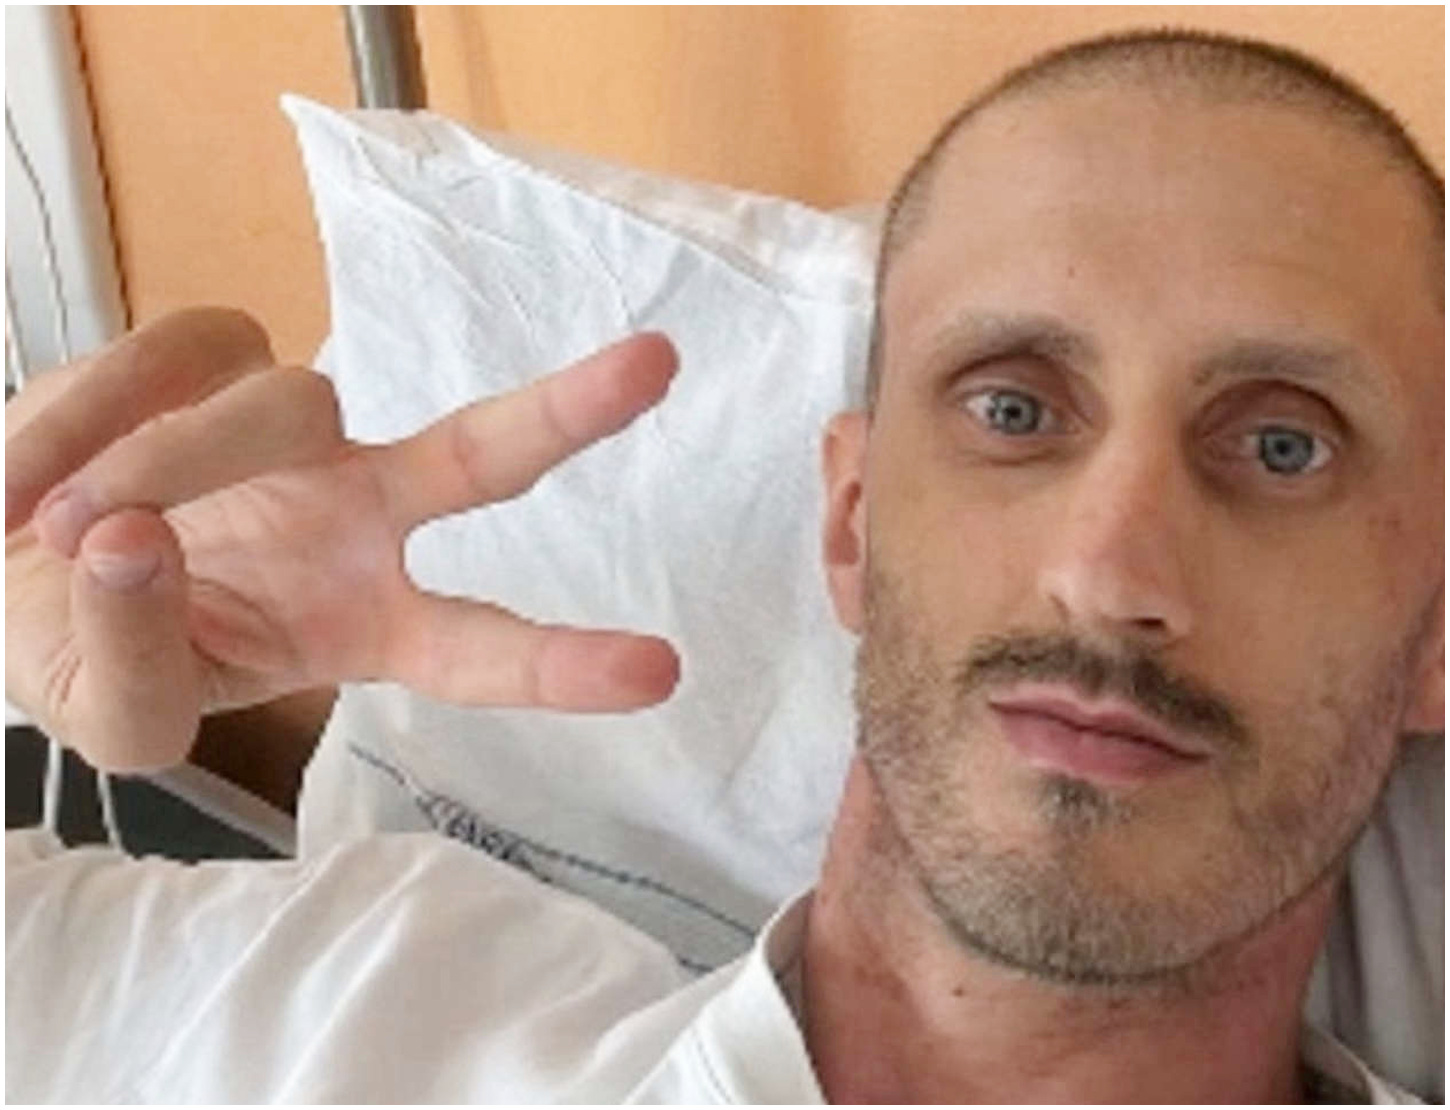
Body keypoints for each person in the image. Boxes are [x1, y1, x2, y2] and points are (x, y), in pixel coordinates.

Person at [6, 28, 1443, 1103]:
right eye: (1012, 409)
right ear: (852, 525)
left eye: (1282, 446)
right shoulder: (349, 1010)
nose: (1107, 568)